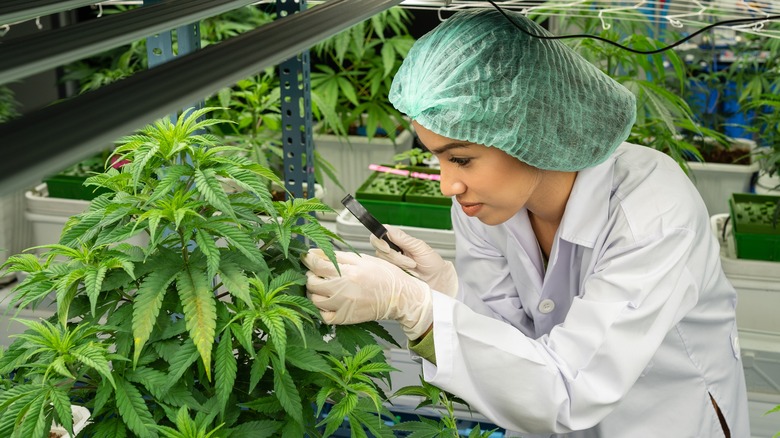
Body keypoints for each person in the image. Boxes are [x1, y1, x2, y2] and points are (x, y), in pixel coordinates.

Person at [302, 9, 750, 438]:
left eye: (460, 158)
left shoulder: (653, 216)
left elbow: (569, 387)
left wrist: (414, 306)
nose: (447, 185)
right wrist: (445, 289)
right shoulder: (485, 205)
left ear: (526, 126)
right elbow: (511, 338)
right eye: (436, 157)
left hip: (663, 419)